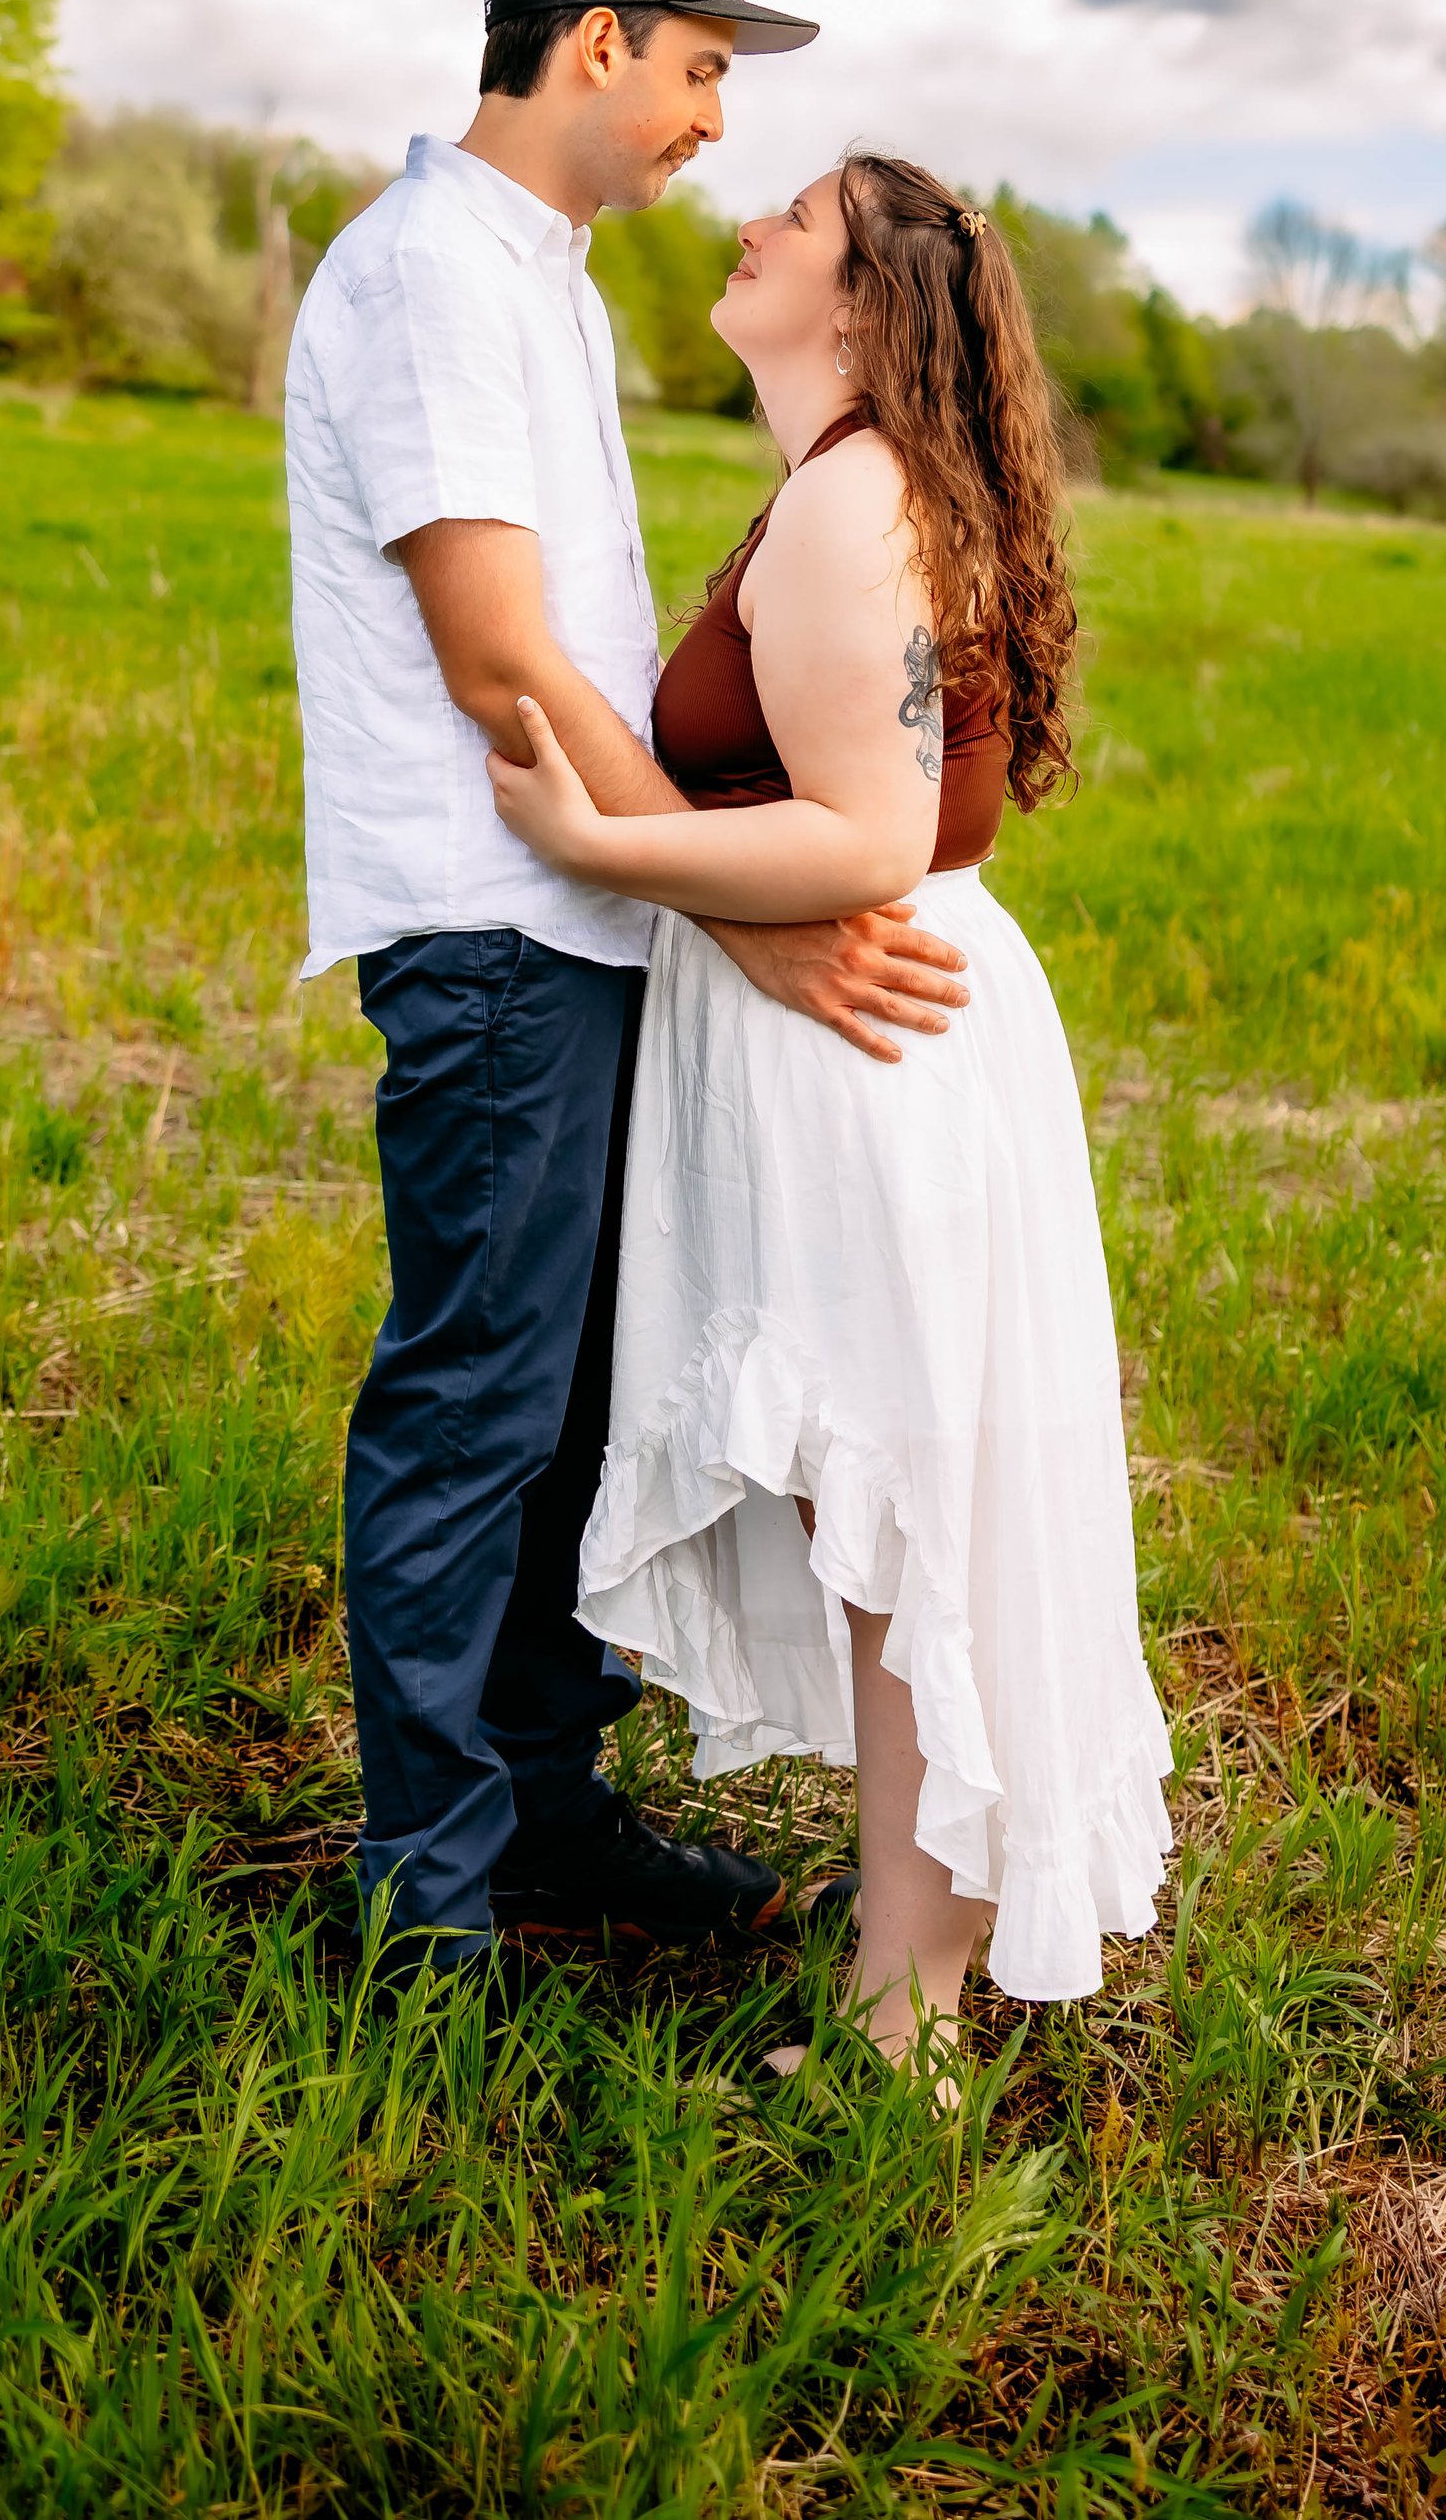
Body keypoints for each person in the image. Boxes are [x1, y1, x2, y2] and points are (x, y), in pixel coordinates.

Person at [284, 0, 976, 1990]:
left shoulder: (542, 283)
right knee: (478, 1401)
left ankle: (550, 1810)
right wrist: (721, 895)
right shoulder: (425, 278)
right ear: (597, 42)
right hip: (498, 923)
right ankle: (428, 1898)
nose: (705, 124)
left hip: (587, 914)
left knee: (585, 1407)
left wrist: (676, 884)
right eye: (698, 72)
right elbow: (497, 652)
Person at [487, 151, 1174, 2078]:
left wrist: (595, 838)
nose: (751, 224)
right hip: (887, 1034)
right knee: (890, 1513)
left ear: (867, 304)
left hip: (873, 1049)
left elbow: (864, 836)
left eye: (797, 217)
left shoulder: (855, 500)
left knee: (892, 1519)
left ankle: (907, 2015)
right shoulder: (852, 487)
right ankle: (913, 1984)